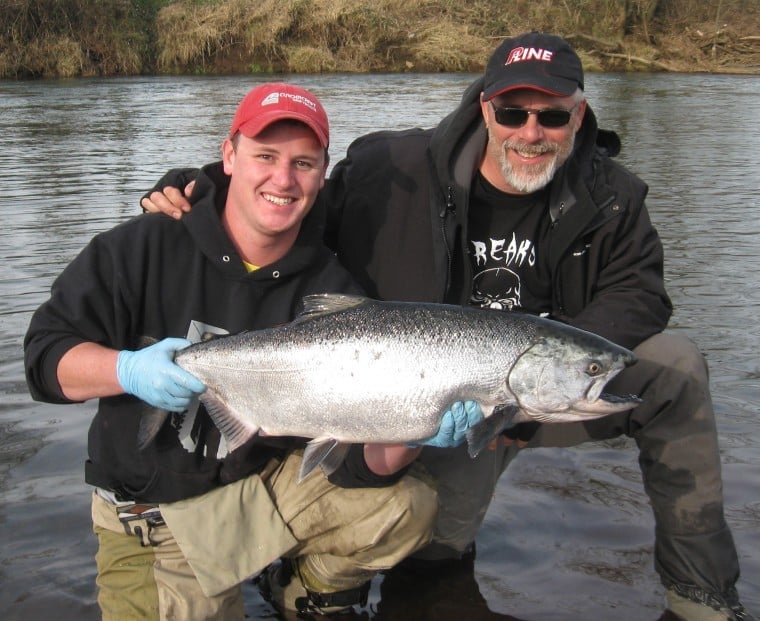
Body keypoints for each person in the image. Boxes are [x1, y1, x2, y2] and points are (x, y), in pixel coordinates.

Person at [140, 34, 754, 621]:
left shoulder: (612, 197)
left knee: (678, 367)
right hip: (403, 395)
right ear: (486, 107)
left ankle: (699, 590)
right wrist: (208, 184)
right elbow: (289, 198)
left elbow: (641, 294)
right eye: (513, 113)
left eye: (553, 116)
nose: (531, 133)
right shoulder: (393, 168)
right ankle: (311, 579)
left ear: (580, 113)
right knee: (433, 558)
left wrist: (550, 374)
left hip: (530, 396)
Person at [24, 82, 490, 620]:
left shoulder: (331, 291)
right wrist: (126, 370)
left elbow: (361, 468)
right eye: (264, 156)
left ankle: (299, 588)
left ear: (323, 172)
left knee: (409, 504)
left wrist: (415, 427)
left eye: (303, 163)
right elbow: (43, 361)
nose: (283, 179)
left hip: (257, 497)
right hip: (156, 517)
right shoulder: (142, 246)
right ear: (229, 156)